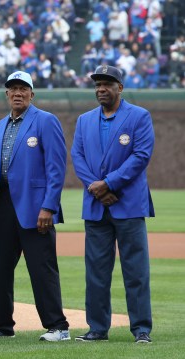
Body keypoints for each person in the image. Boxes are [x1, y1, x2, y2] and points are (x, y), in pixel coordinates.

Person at [0, 71, 70, 342]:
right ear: (6, 94)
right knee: (0, 270)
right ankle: (1, 326)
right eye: (12, 89)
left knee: (42, 269)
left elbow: (56, 167)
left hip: (35, 207)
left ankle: (58, 327)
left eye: (23, 88)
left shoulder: (46, 121)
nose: (17, 93)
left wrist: (49, 207)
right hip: (2, 206)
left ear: (32, 93)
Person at [71, 65, 155, 344]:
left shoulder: (139, 116)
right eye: (97, 84)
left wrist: (108, 183)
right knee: (96, 273)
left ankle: (141, 329)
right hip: (97, 206)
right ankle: (97, 329)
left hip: (128, 205)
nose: (101, 89)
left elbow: (141, 156)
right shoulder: (84, 120)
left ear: (120, 87)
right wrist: (98, 189)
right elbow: (78, 157)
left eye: (107, 84)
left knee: (136, 272)